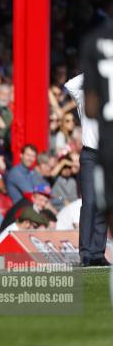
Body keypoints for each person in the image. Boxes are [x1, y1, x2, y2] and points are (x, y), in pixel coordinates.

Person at [64, 74, 107, 266]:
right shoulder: (83, 96)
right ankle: (86, 253)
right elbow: (70, 84)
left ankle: (98, 253)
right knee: (89, 203)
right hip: (90, 155)